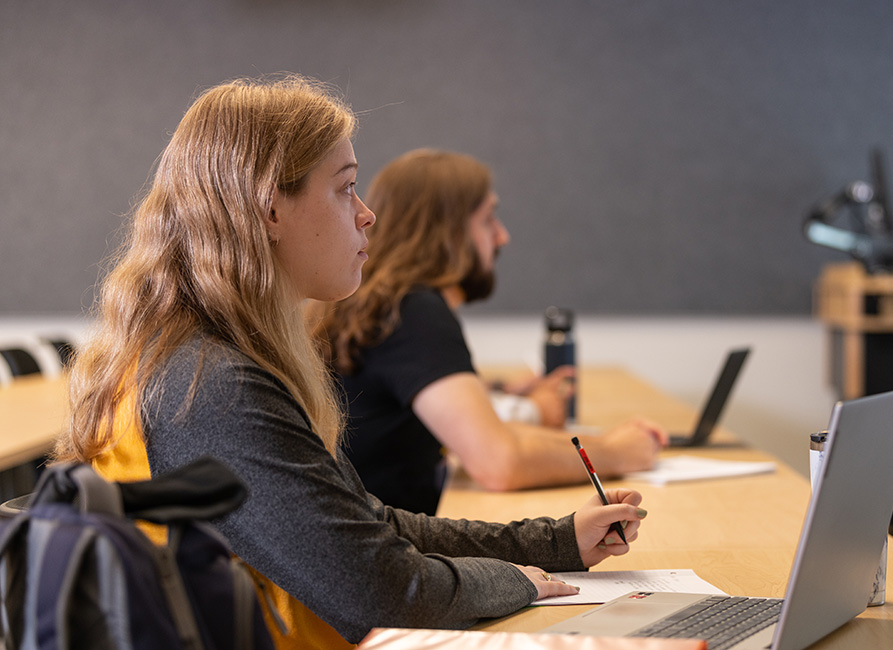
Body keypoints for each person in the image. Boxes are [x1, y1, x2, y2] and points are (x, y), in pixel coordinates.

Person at [52, 76, 647, 648]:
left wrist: (555, 541)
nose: (367, 215)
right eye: (344, 188)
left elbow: (369, 526)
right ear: (270, 210)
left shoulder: (214, 360)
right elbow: (381, 593)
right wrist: (519, 582)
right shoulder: (209, 386)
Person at [312, 149, 667, 516]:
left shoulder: (375, 305)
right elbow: (499, 462)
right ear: (445, 232)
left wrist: (604, 444)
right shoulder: (413, 311)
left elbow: (493, 435)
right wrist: (619, 453)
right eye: (487, 220)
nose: (502, 237)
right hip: (388, 552)